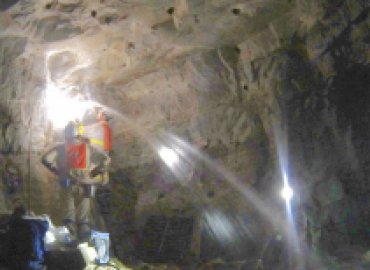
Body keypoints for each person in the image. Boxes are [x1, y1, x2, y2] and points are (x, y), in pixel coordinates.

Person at [41, 121, 110, 240]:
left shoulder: (61, 148)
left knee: (69, 216)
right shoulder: (88, 148)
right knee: (84, 217)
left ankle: (70, 242)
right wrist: (97, 171)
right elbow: (106, 158)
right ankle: (85, 243)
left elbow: (45, 159)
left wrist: (56, 171)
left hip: (67, 184)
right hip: (86, 185)